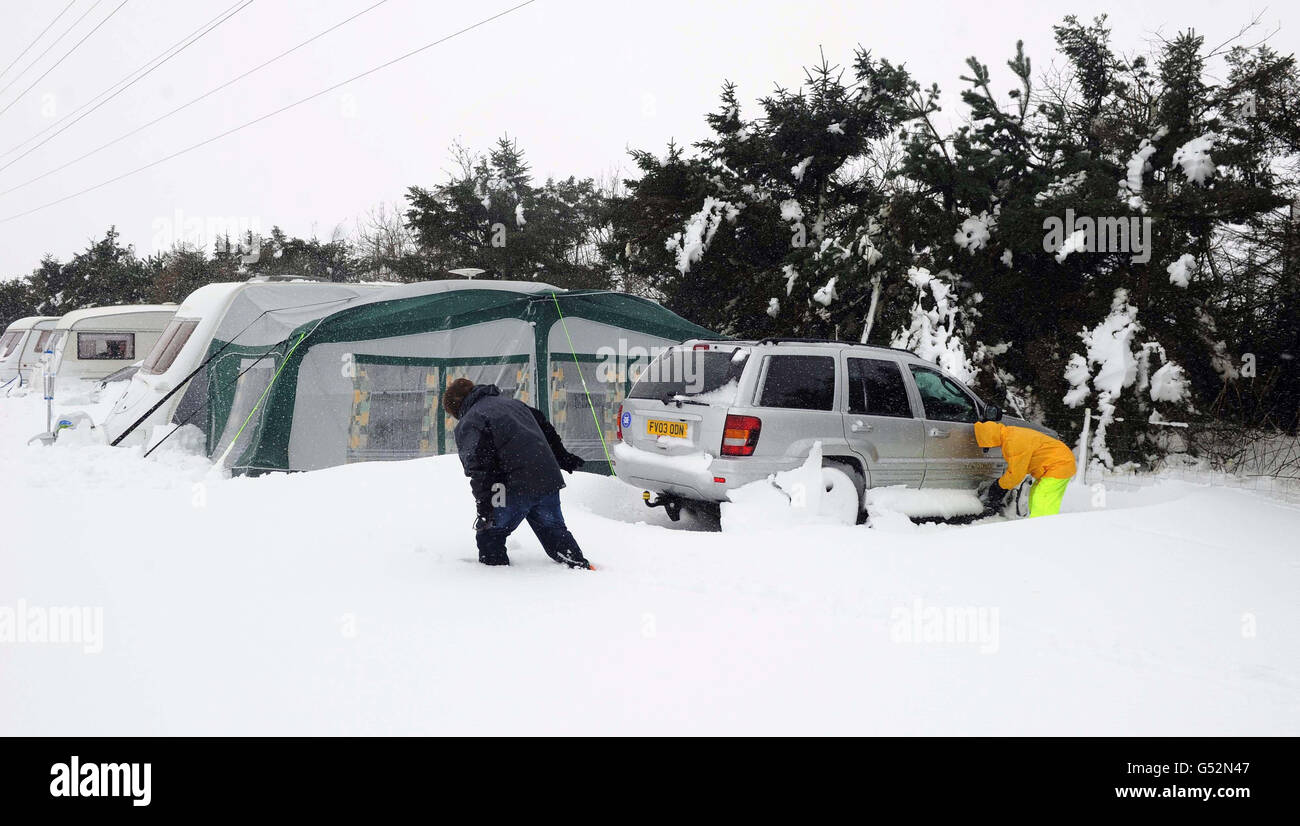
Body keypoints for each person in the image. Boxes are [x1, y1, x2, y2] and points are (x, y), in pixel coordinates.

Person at [442, 378, 592, 568]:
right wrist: (562, 457)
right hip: (547, 478)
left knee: (490, 535)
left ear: (457, 407)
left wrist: (486, 508)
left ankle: (497, 576)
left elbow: (480, 468)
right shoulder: (514, 404)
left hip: (512, 486)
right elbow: (544, 428)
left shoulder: (471, 421)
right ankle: (579, 565)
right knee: (553, 530)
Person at [974, 419, 1077, 518]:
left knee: (1043, 498)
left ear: (990, 437)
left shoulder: (1013, 442)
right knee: (1035, 495)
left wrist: (999, 486)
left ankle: (1042, 528)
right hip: (1055, 464)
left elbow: (1016, 474)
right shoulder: (1010, 434)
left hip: (1060, 464)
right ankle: (1036, 523)